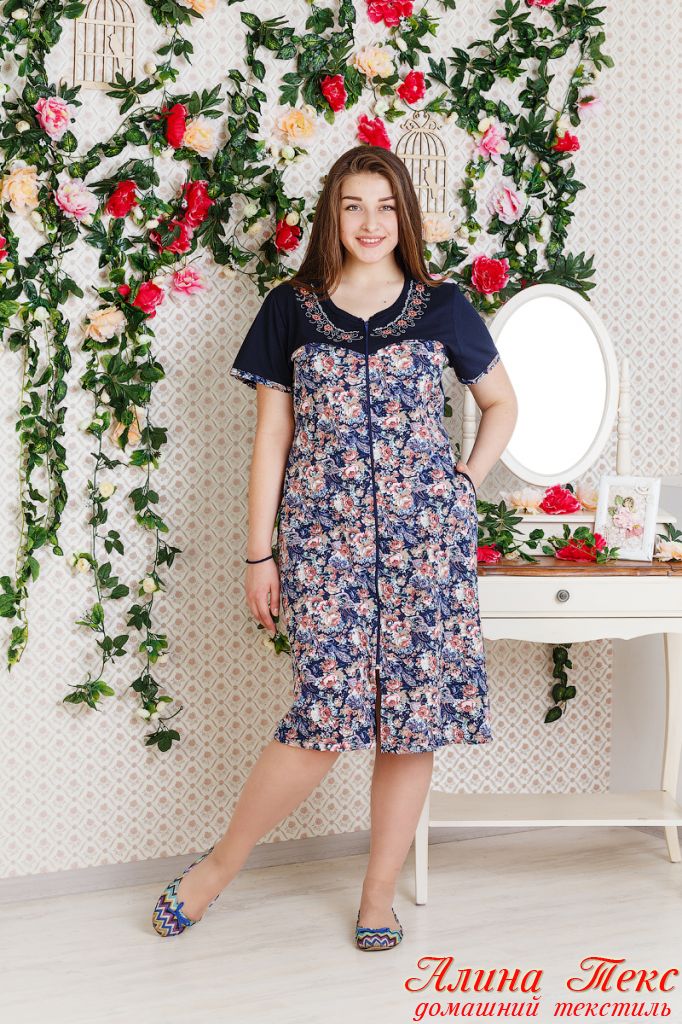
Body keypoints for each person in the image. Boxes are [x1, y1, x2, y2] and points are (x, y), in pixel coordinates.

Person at [152, 144, 518, 950]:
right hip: (324, 546)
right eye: (354, 206)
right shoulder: (291, 307)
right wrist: (259, 555)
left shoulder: (443, 305)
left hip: (427, 547)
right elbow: (272, 439)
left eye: (385, 206)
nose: (370, 222)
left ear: (405, 215)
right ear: (333, 214)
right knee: (322, 713)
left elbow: (501, 403)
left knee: (412, 720)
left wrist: (463, 482)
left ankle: (377, 897)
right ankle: (217, 868)